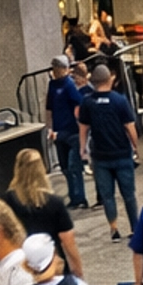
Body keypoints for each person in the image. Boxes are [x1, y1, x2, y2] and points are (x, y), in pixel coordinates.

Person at [80, 62, 140, 240]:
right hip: (121, 153)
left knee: (107, 196)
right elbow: (130, 127)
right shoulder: (119, 100)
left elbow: (83, 128)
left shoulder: (88, 102)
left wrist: (83, 150)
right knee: (128, 194)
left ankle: (114, 229)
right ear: (109, 79)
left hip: (100, 156)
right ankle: (135, 228)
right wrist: (136, 147)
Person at [6, 148, 84, 275]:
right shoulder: (54, 202)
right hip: (52, 262)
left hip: (23, 264)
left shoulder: (9, 200)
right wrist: (78, 270)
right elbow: (68, 240)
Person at [44, 53, 87, 208]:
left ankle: (80, 197)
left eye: (58, 67)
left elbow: (78, 105)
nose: (55, 71)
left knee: (73, 165)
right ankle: (74, 196)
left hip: (72, 131)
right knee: (65, 167)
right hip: (58, 131)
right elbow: (49, 108)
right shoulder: (52, 85)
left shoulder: (69, 85)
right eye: (54, 67)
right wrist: (49, 127)